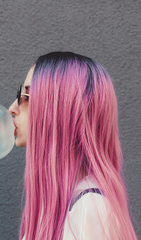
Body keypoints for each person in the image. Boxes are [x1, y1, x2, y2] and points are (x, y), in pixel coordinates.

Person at [8, 52, 138, 240]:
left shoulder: (90, 209)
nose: (13, 107)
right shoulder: (56, 208)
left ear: (60, 110)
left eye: (26, 96)